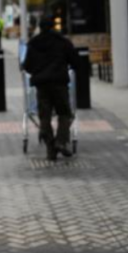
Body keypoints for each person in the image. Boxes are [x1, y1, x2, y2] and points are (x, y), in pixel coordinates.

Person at [23, 16, 79, 161]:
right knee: (64, 113)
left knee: (44, 116)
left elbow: (27, 66)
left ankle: (50, 149)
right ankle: (61, 141)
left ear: (39, 27)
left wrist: (38, 70)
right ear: (53, 26)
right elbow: (74, 60)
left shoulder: (33, 43)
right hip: (59, 83)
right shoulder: (62, 42)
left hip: (42, 86)